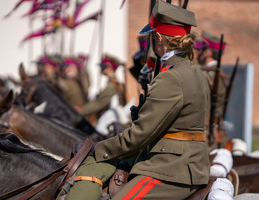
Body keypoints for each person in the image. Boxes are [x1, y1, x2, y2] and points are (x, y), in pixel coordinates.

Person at [63, 1, 210, 199]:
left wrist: (98, 149)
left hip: (172, 168)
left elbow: (139, 136)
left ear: (158, 37)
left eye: (152, 35)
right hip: (191, 165)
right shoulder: (195, 73)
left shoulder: (170, 77)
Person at [197, 30, 230, 151]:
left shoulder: (212, 76)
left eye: (200, 49)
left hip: (210, 137)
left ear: (207, 52)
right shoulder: (211, 74)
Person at [79, 54, 126, 125]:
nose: (101, 69)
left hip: (110, 121)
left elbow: (98, 104)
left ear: (109, 67)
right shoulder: (113, 83)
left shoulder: (112, 86)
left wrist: (79, 111)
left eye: (103, 67)